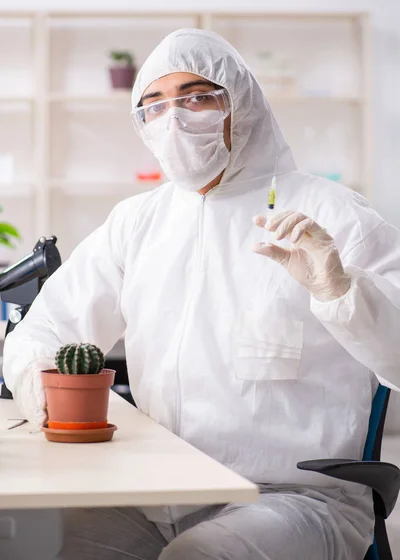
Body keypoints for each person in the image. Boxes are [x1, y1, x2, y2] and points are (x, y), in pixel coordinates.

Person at [3, 28, 400, 560]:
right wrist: (38, 385)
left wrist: (344, 293)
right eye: (155, 105)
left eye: (196, 97)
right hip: (151, 490)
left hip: (291, 498)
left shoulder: (332, 214)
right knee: (42, 544)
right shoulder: (138, 221)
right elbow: (48, 327)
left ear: (242, 103)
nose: (176, 118)